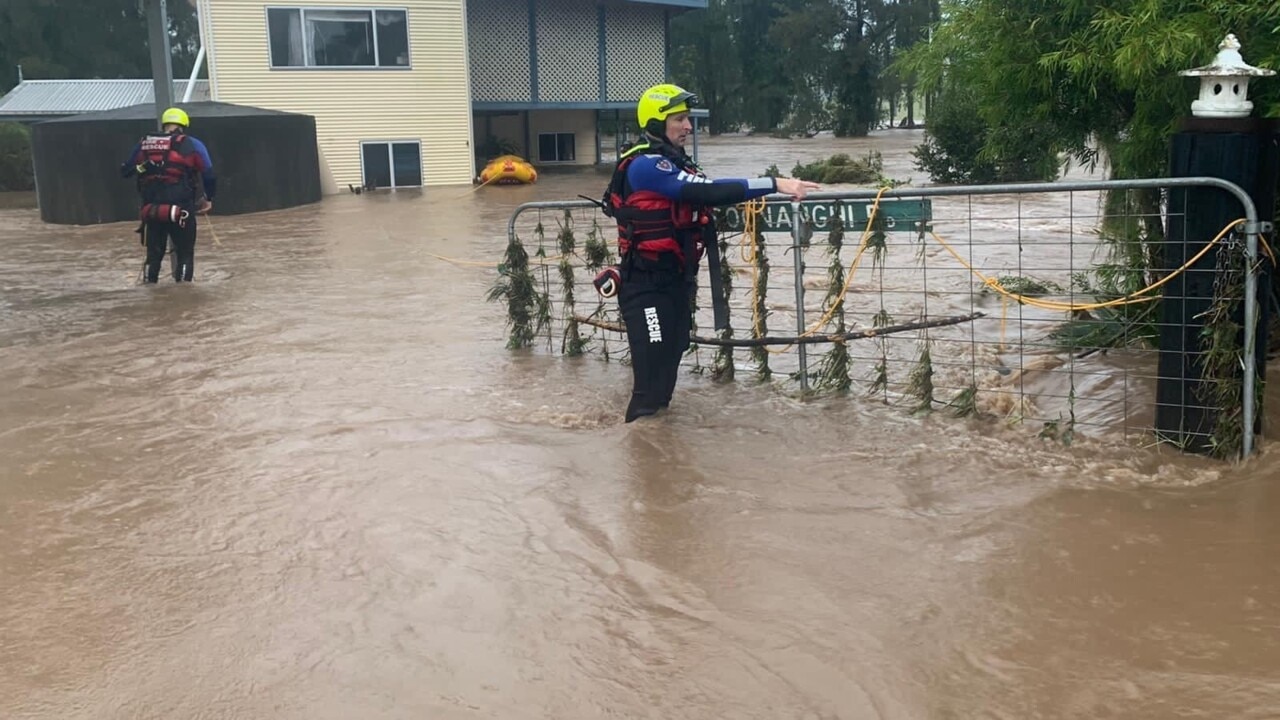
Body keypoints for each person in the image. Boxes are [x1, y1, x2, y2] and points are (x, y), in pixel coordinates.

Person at [598, 83, 820, 423]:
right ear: (658, 124)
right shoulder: (646, 165)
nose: (688, 127)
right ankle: (638, 461)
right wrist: (775, 184)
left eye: (688, 120)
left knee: (670, 367)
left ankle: (660, 460)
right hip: (644, 288)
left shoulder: (676, 162)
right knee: (650, 381)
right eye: (681, 120)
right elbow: (707, 191)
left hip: (675, 284)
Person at [120, 107, 216, 283]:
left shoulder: (144, 144)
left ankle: (150, 290)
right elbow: (208, 173)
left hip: (151, 209)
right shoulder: (192, 144)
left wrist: (144, 167)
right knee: (185, 253)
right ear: (183, 125)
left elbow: (126, 171)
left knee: (153, 256)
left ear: (164, 124)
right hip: (182, 209)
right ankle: (184, 294)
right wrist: (208, 198)